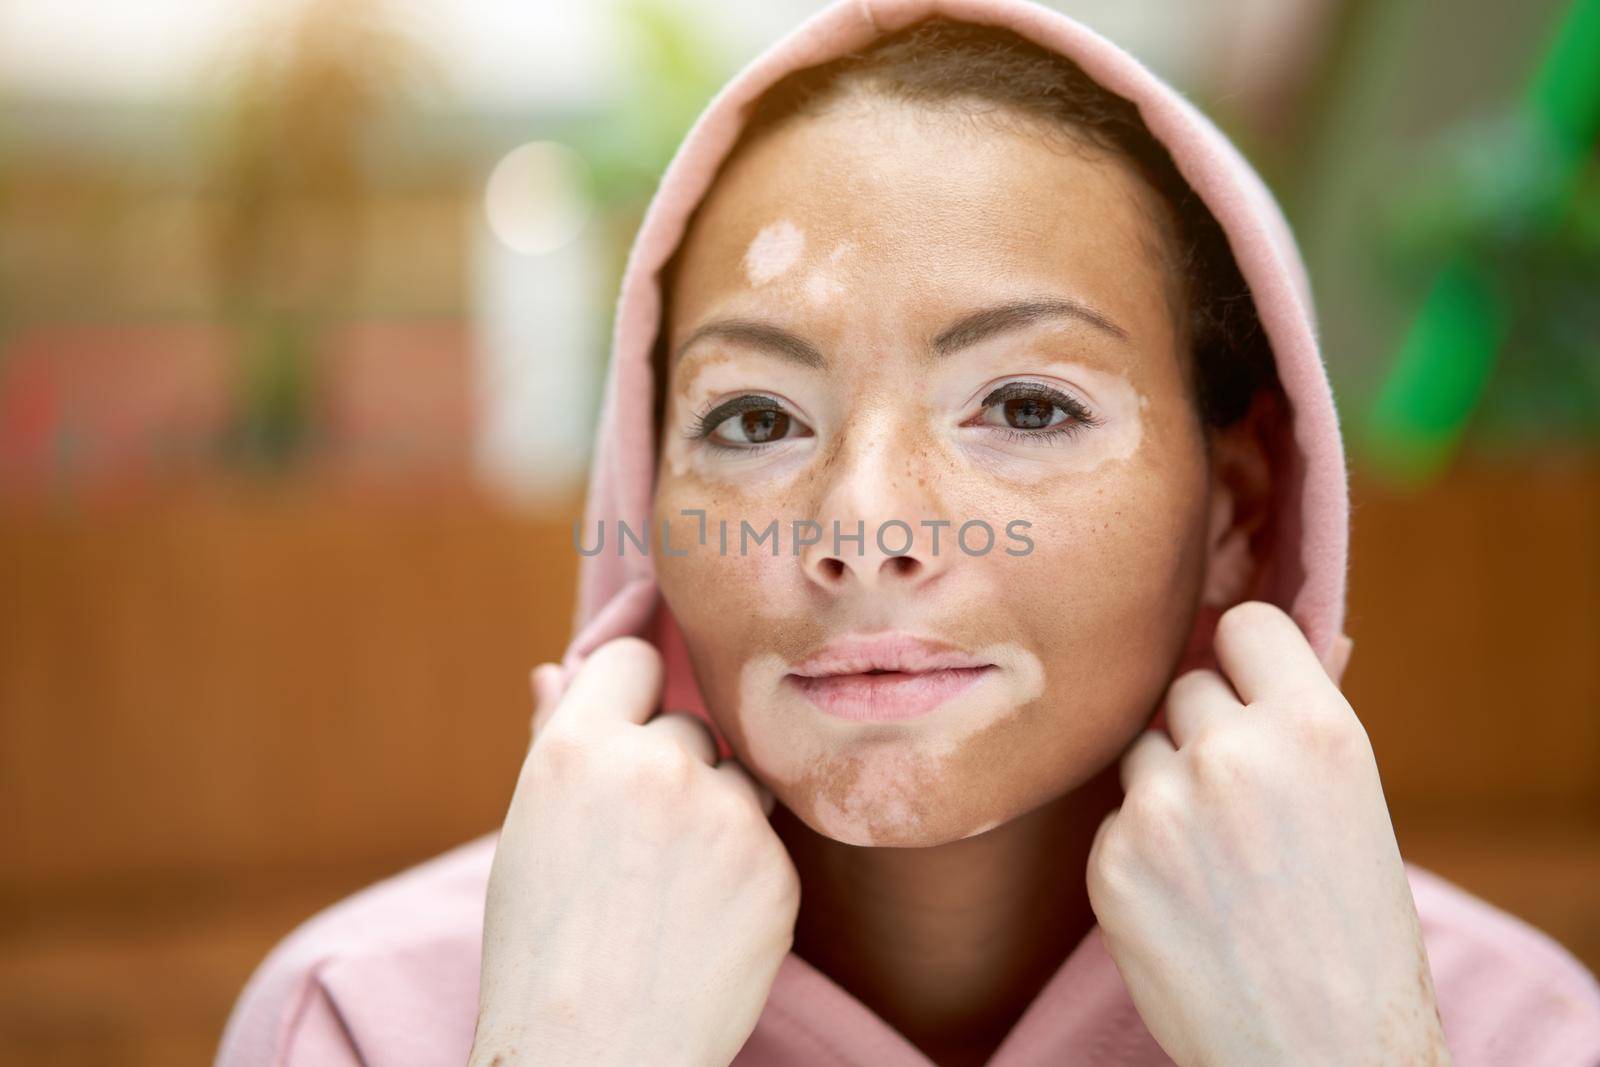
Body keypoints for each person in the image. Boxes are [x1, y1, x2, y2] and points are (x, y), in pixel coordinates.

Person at [216, 2, 1600, 1064]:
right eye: (755, 420)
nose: (865, 526)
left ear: (1235, 509)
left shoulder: (1513, 1030)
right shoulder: (364, 1020)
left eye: (1024, 403)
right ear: (645, 499)